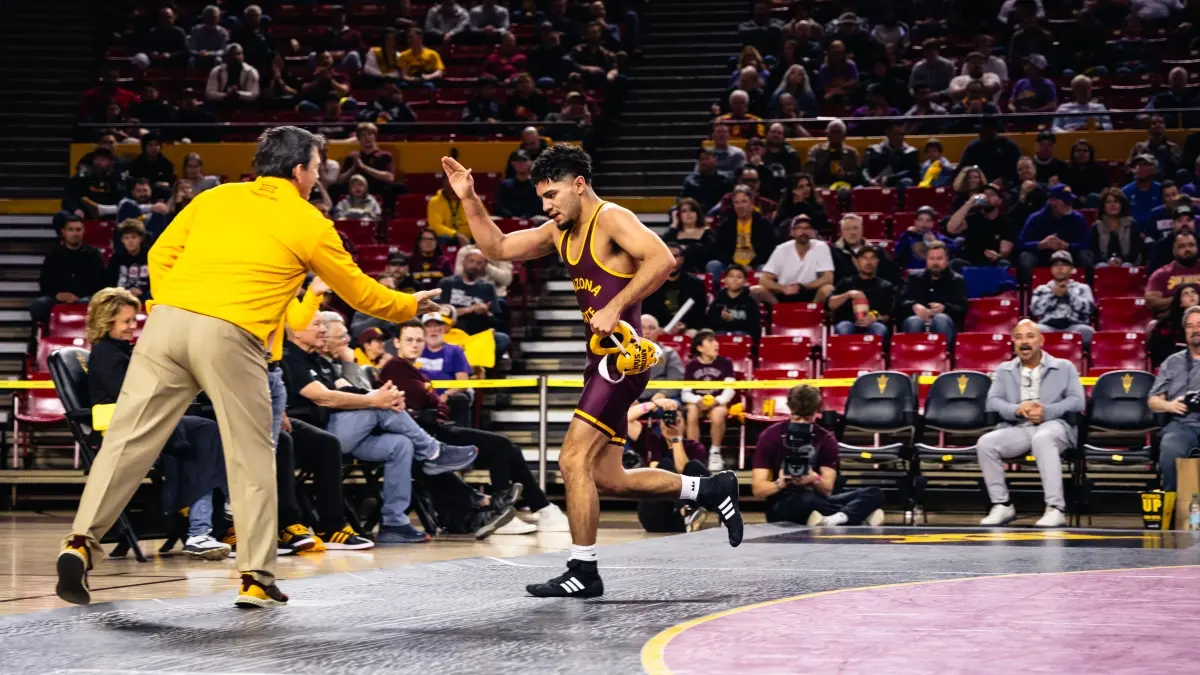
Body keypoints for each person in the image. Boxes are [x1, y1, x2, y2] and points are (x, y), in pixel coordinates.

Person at [55, 126, 443, 610]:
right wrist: (409, 305)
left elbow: (160, 253)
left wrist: (178, 304)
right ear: (300, 170)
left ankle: (79, 543)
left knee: (128, 440)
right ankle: (256, 577)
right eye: (317, 168)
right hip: (231, 333)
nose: (317, 177)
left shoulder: (214, 198)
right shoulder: (309, 220)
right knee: (254, 454)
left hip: (166, 324)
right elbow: (359, 291)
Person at [440, 145, 744, 597]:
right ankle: (708, 488)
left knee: (571, 459)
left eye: (553, 195)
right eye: (542, 197)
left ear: (579, 185)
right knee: (608, 477)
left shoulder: (612, 218)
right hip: (598, 360)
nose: (547, 206)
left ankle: (584, 569)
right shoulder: (559, 230)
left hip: (620, 361)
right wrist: (468, 197)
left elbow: (662, 259)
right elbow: (498, 246)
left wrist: (618, 304)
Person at [283, 315, 482, 543]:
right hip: (314, 437)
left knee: (401, 444)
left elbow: (347, 388)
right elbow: (325, 398)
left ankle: (394, 523)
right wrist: (377, 401)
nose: (322, 330)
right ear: (296, 331)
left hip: (340, 432)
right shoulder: (290, 357)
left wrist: (381, 395)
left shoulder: (319, 360)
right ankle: (433, 452)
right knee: (381, 409)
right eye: (316, 324)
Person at [381, 320, 572, 534]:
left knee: (509, 449)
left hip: (436, 429)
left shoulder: (412, 369)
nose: (415, 344)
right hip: (428, 435)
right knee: (501, 446)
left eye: (418, 340)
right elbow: (421, 401)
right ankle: (510, 513)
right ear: (396, 342)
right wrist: (435, 400)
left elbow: (431, 401)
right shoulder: (395, 367)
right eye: (409, 340)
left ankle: (538, 508)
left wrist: (435, 401)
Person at [85, 288, 229, 559]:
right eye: (126, 322)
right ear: (107, 322)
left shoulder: (121, 350)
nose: (132, 327)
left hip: (149, 422)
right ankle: (203, 529)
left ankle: (207, 525)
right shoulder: (106, 354)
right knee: (204, 437)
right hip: (128, 431)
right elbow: (134, 397)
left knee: (208, 431)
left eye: (133, 320)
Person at [978, 320, 1084, 528]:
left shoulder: (1064, 367)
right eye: (1018, 338)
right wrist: (1017, 409)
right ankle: (1002, 505)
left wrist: (1047, 411)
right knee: (985, 443)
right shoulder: (1004, 370)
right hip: (1020, 427)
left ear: (1041, 340)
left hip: (1055, 425)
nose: (1024, 342)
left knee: (1043, 438)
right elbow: (993, 401)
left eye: (1030, 336)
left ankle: (1055, 508)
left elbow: (1077, 400)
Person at [751, 384, 885, 526]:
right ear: (790, 410)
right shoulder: (770, 436)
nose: (802, 423)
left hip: (817, 497)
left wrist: (814, 478)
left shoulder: (826, 439)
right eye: (797, 418)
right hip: (783, 501)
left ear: (816, 412)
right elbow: (758, 489)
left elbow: (827, 489)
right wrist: (780, 483)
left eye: (807, 418)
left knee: (874, 493)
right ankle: (853, 515)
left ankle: (831, 520)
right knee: (803, 500)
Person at [1148, 305, 1200, 492]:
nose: (1195, 330)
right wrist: (1170, 405)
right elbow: (1153, 401)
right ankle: (1174, 507)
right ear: (1184, 331)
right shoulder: (1172, 362)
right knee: (1170, 449)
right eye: (1190, 326)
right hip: (1182, 424)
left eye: (1199, 325)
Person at [31, 211, 106, 326]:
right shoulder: (54, 254)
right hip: (57, 297)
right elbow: (44, 281)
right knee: (39, 305)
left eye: (78, 230)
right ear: (63, 232)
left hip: (85, 298)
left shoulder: (93, 254)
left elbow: (101, 283)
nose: (75, 233)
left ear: (83, 231)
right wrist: (58, 295)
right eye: (71, 230)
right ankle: (43, 335)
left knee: (93, 303)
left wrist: (78, 296)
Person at [437, 247, 511, 359]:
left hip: (478, 333)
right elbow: (441, 312)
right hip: (451, 332)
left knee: (502, 339)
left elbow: (495, 319)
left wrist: (486, 312)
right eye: (471, 261)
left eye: (479, 263)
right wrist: (471, 309)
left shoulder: (488, 287)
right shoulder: (447, 283)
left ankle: (481, 370)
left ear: (484, 266)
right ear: (464, 261)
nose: (474, 265)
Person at [681, 330, 736, 471]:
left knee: (718, 414)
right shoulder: (691, 366)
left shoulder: (726, 362)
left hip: (717, 403)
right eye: (710, 341)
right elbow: (685, 393)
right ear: (700, 348)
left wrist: (717, 401)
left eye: (716, 341)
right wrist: (698, 400)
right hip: (698, 403)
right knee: (691, 411)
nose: (716, 344)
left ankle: (715, 452)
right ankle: (695, 453)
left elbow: (730, 389)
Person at [751, 215, 835, 306]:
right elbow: (764, 280)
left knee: (828, 289)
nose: (803, 231)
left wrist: (802, 287)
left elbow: (828, 278)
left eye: (807, 228)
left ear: (812, 232)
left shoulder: (821, 247)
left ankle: (817, 316)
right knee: (755, 290)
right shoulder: (781, 249)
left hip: (810, 292)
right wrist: (783, 288)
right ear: (792, 232)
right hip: (784, 292)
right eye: (799, 228)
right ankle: (772, 315)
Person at [1017, 183, 1092, 283]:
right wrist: (1040, 245)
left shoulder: (1078, 218)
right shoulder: (1036, 218)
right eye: (1065, 202)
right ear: (1052, 202)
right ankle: (1026, 294)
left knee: (1085, 256)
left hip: (1070, 256)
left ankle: (1089, 291)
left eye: (1070, 202)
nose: (1069, 205)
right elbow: (1021, 243)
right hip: (1043, 257)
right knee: (1025, 258)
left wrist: (1067, 246)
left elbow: (1087, 244)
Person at [898, 241, 967, 342]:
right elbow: (901, 302)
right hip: (917, 318)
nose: (935, 263)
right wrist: (914, 306)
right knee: (915, 321)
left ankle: (944, 355)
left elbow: (962, 308)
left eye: (939, 259)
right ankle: (913, 356)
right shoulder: (913, 278)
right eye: (931, 259)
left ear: (947, 260)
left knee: (941, 319)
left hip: (946, 323)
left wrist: (944, 308)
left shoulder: (957, 280)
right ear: (926, 260)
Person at [415, 311, 473, 427]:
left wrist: (446, 394)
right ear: (422, 331)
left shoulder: (455, 351)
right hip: (421, 398)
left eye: (437, 325)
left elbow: (463, 382)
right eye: (429, 326)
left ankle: (460, 437)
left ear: (443, 328)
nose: (434, 330)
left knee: (460, 398)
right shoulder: (415, 350)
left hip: (448, 398)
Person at [1030, 251, 1096, 346]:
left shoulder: (1082, 288)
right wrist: (1053, 295)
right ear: (1051, 269)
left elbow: (1089, 309)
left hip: (1075, 326)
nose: (1059, 268)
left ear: (1071, 269)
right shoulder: (1041, 289)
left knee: (1088, 332)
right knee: (1033, 332)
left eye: (1064, 264)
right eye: (1055, 265)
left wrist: (1069, 294)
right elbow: (1036, 311)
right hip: (1048, 326)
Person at [827, 245, 896, 336]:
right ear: (858, 261)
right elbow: (829, 304)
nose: (869, 262)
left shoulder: (886, 286)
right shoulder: (846, 282)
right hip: (849, 323)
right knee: (844, 327)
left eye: (872, 258)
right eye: (864, 258)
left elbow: (889, 315)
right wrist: (848, 294)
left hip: (873, 324)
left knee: (879, 329)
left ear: (877, 261)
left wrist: (875, 318)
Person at [642, 243, 707, 334]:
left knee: (694, 334)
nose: (671, 260)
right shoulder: (650, 283)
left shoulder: (695, 284)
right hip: (655, 328)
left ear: (682, 259)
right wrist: (656, 328)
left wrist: (685, 326)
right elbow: (644, 312)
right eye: (667, 256)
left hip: (686, 328)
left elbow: (700, 313)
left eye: (675, 256)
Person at [946, 183, 1015, 267]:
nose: (987, 197)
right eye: (984, 194)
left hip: (992, 262)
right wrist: (970, 203)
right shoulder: (972, 219)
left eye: (991, 194)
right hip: (969, 261)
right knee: (956, 263)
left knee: (1004, 263)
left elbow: (1005, 250)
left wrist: (998, 255)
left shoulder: (1006, 223)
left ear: (1000, 200)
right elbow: (951, 228)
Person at [711, 186, 776, 273]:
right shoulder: (726, 224)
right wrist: (734, 266)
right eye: (736, 202)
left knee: (764, 268)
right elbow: (721, 250)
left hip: (756, 265)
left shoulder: (763, 223)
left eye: (744, 201)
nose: (740, 206)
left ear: (752, 203)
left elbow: (768, 250)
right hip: (731, 265)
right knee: (713, 265)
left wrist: (751, 265)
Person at [1147, 232, 1200, 316]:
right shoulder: (1161, 274)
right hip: (1172, 320)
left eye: (1191, 245)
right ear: (1174, 251)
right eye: (1182, 246)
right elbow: (1151, 302)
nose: (1187, 249)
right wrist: (1179, 299)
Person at [1148, 283, 1200, 368]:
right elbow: (1159, 350)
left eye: (1193, 292)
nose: (1191, 295)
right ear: (1180, 302)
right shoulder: (1168, 322)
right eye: (1186, 294)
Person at [1090, 187, 1144, 268]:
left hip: (1127, 262)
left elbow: (1135, 251)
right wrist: (1107, 261)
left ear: (1121, 204)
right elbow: (1093, 252)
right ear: (1103, 206)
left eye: (1116, 201)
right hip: (1104, 263)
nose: (1113, 205)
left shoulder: (1131, 224)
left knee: (1126, 266)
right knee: (1101, 266)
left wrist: (1121, 260)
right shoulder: (1096, 227)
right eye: (1108, 202)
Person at [637, 314, 685, 404]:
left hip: (661, 398)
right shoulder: (625, 353)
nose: (647, 332)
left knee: (671, 409)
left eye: (651, 328)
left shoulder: (669, 353)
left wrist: (663, 393)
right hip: (632, 399)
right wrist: (628, 398)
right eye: (642, 327)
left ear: (658, 331)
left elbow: (676, 379)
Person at [894, 206, 956, 270]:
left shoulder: (938, 237)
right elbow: (897, 252)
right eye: (920, 220)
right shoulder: (908, 236)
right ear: (915, 222)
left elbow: (954, 248)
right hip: (913, 273)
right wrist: (906, 234)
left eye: (928, 220)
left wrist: (935, 242)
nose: (923, 223)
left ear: (932, 223)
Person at [707, 264, 761, 337]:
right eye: (731, 276)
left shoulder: (750, 302)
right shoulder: (717, 301)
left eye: (739, 277)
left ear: (745, 281)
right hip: (720, 337)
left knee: (739, 334)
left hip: (743, 339)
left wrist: (731, 320)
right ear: (725, 280)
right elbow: (710, 324)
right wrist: (721, 318)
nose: (735, 279)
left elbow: (754, 327)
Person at [862, 122, 920, 188]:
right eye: (895, 134)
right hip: (874, 187)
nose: (899, 137)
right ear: (888, 134)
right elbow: (864, 170)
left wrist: (889, 179)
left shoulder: (911, 152)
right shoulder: (873, 150)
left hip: (898, 188)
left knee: (907, 182)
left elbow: (912, 173)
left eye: (902, 134)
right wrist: (869, 181)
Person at [107, 219, 151, 299]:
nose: (130, 241)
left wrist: (142, 291)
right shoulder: (117, 257)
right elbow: (109, 282)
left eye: (134, 237)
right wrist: (125, 292)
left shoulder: (149, 256)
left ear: (140, 239)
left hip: (145, 296)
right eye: (126, 238)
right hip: (121, 298)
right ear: (122, 240)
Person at [680, 149, 734, 214]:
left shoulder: (726, 180)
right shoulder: (690, 181)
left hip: (721, 216)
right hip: (697, 217)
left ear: (715, 160)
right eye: (701, 159)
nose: (704, 162)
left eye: (707, 158)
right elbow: (682, 200)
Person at [495, 150, 541, 218]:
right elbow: (499, 206)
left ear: (531, 163)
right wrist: (511, 217)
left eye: (523, 161)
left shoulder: (536, 185)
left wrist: (525, 217)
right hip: (508, 219)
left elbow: (538, 206)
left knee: (541, 219)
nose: (520, 164)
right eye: (517, 161)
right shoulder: (505, 184)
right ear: (512, 164)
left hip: (531, 219)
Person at [427, 174, 470, 244]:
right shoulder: (435, 201)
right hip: (447, 237)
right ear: (444, 183)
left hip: (469, 236)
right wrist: (456, 234)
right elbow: (435, 225)